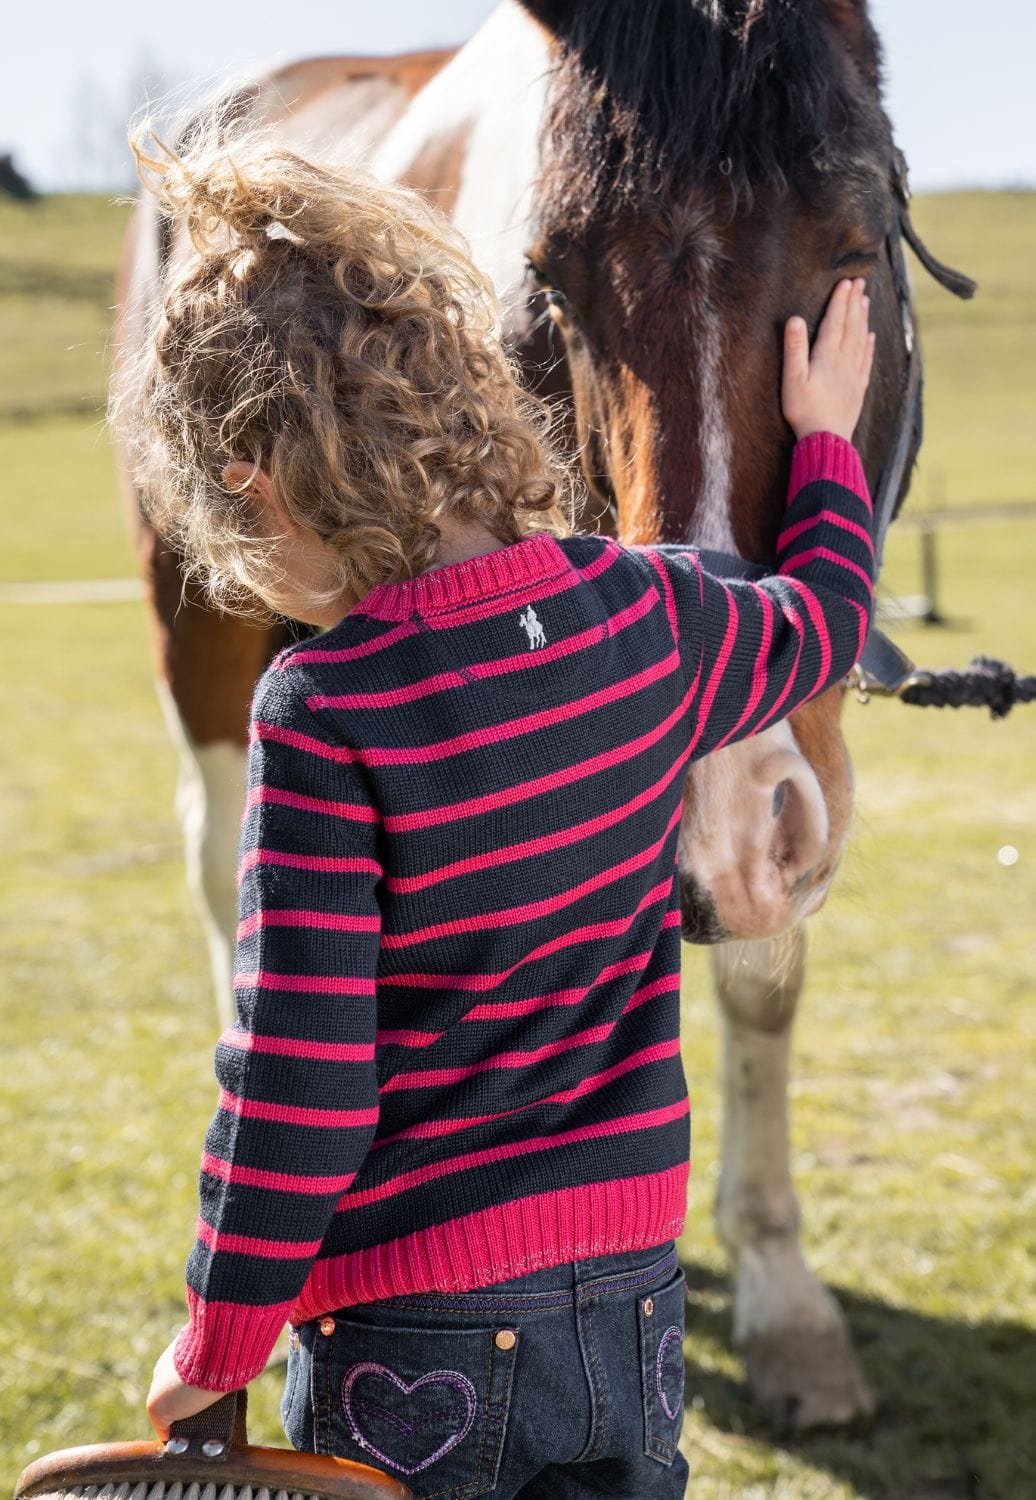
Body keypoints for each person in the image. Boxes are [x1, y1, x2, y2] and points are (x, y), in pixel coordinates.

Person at [123, 110, 875, 1498]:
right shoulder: (649, 616)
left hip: (414, 1336)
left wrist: (221, 1340)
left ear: (260, 487)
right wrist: (821, 443)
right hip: (643, 1302)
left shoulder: (325, 715)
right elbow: (823, 618)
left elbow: (298, 1081)